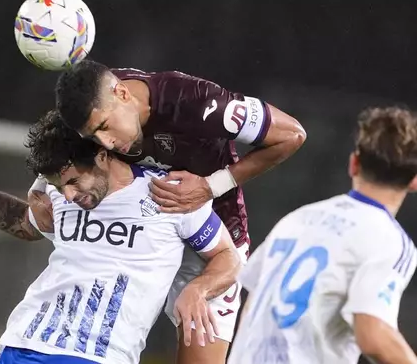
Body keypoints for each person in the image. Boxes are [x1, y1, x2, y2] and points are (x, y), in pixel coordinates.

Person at [0, 110, 242, 364]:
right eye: (56, 187)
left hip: (99, 354)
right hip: (25, 344)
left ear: (101, 155)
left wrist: (198, 290)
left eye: (72, 182)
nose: (66, 196)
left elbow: (228, 257)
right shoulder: (64, 200)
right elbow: (24, 223)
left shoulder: (168, 194)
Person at [54, 60, 307, 362]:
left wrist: (211, 186)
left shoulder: (194, 101)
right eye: (94, 136)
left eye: (105, 127)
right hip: (138, 235)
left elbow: (292, 134)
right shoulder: (88, 110)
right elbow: (56, 156)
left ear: (122, 93)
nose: (106, 142)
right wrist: (40, 190)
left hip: (214, 243)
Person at [227, 106, 417, 364]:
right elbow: (373, 334)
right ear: (414, 180)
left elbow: (253, 302)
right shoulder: (389, 240)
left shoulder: (299, 219)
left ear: (354, 163)